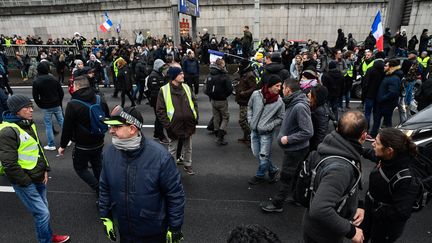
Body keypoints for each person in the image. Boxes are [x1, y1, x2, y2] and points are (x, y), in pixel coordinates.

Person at [100, 106, 185, 242]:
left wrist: (175, 227)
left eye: (116, 127)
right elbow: (104, 187)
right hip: (124, 230)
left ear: (132, 129)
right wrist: (105, 215)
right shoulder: (109, 154)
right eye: (110, 126)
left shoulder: (160, 158)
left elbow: (175, 195)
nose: (110, 131)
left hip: (153, 232)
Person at [0, 95, 70, 243]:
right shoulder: (7, 131)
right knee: (42, 214)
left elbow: (37, 149)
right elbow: (9, 164)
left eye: (31, 106)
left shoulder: (28, 123)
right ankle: (46, 240)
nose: (32, 110)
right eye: (27, 107)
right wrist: (26, 182)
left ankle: (49, 236)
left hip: (38, 176)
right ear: (16, 111)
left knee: (44, 211)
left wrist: (45, 169)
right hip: (26, 182)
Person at [302, 110, 367, 243]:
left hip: (315, 226)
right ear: (364, 136)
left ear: (338, 129)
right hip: (324, 234)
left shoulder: (332, 147)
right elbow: (320, 209)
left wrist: (359, 204)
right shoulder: (340, 169)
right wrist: (351, 231)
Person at [260, 78, 313, 211]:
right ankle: (296, 197)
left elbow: (307, 131)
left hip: (296, 149)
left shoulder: (299, 106)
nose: (281, 91)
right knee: (296, 174)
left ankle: (277, 204)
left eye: (283, 88)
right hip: (296, 148)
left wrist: (288, 139)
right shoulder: (293, 102)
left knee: (286, 176)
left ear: (288, 90)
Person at [361, 128, 420, 243]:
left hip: (385, 226)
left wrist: (377, 211)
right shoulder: (387, 157)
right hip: (371, 211)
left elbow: (401, 212)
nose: (372, 143)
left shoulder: (407, 179)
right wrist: (358, 149)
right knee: (362, 236)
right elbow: (373, 154)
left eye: (377, 142)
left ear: (389, 150)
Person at [57, 76, 109, 196]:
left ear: (77, 86)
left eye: (73, 86)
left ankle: (98, 188)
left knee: (80, 168)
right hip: (99, 140)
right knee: (97, 164)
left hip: (83, 145)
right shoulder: (99, 98)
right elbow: (106, 116)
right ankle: (103, 186)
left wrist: (63, 145)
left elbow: (67, 128)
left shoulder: (73, 104)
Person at [156, 66, 198, 175]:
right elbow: (160, 110)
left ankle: (188, 165)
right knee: (172, 148)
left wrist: (195, 117)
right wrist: (168, 125)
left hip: (188, 123)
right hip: (173, 125)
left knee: (188, 147)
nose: (183, 75)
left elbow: (194, 103)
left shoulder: (186, 87)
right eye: (180, 74)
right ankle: (172, 168)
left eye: (182, 73)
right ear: (174, 76)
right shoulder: (164, 90)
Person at [247, 75, 285, 185]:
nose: (279, 88)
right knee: (256, 154)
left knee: (263, 156)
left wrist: (269, 126)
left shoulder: (279, 102)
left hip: (266, 133)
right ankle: (273, 169)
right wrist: (250, 120)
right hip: (254, 130)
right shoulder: (256, 95)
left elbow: (281, 117)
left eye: (280, 86)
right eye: (277, 86)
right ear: (269, 86)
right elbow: (249, 107)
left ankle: (259, 176)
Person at [32, 61, 64, 151]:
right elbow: (61, 92)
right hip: (56, 104)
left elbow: (35, 96)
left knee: (48, 125)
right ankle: (67, 140)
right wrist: (59, 101)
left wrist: (40, 104)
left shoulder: (36, 81)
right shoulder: (54, 79)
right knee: (62, 122)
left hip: (46, 106)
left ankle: (51, 144)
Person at [370, 59, 403, 139]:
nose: (384, 66)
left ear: (391, 67)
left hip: (386, 104)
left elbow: (393, 92)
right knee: (378, 120)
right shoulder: (388, 75)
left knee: (387, 121)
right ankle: (374, 134)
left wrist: (381, 98)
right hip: (382, 103)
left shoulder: (394, 78)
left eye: (386, 65)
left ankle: (389, 137)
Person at [205, 58, 233, 145]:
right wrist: (225, 95)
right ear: (221, 65)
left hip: (213, 99)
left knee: (216, 117)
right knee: (225, 117)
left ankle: (216, 132)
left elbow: (206, 88)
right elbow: (229, 89)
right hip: (222, 100)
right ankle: (220, 135)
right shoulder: (224, 76)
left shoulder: (210, 74)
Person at [362, 51, 385, 136]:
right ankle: (374, 132)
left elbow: (365, 84)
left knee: (367, 113)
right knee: (377, 114)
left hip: (369, 95)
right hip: (379, 95)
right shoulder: (385, 70)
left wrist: (363, 95)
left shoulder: (371, 69)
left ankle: (366, 130)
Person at [147, 59, 169, 144]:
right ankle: (161, 136)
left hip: (159, 99)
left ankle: (156, 133)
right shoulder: (154, 76)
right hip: (157, 100)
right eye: (162, 66)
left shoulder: (159, 74)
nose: (163, 67)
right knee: (160, 118)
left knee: (158, 117)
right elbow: (155, 90)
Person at [235, 60, 257, 143]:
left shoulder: (250, 75)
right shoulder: (244, 73)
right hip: (242, 100)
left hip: (246, 100)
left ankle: (251, 136)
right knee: (245, 120)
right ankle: (246, 136)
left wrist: (244, 93)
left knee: (242, 120)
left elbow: (253, 88)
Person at [308, 85, 330, 151]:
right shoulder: (317, 107)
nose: (308, 94)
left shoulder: (320, 112)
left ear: (316, 97)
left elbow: (321, 133)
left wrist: (315, 151)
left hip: (315, 147)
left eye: (310, 93)